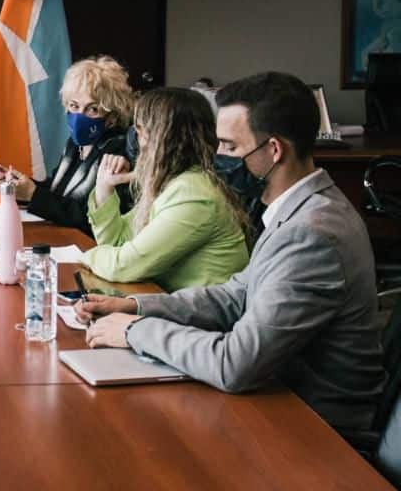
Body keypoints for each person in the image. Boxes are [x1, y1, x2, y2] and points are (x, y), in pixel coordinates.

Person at [76, 72, 385, 432]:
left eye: (230, 147)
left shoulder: (312, 233)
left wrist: (135, 331)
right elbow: (236, 295)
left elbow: (235, 362)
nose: (217, 156)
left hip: (314, 426)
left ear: (273, 150)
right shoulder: (302, 209)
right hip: (277, 396)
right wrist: (137, 306)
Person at [80, 88, 249, 291]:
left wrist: (84, 256)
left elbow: (122, 266)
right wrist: (104, 187)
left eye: (140, 129)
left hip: (201, 319)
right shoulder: (174, 183)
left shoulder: (192, 195)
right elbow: (118, 242)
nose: (137, 138)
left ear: (156, 136)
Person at [0, 55, 135, 235]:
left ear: (112, 117)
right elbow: (58, 192)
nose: (80, 115)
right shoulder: (75, 144)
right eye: (74, 106)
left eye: (92, 109)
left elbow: (91, 219)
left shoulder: (118, 151)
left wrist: (33, 195)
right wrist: (19, 186)